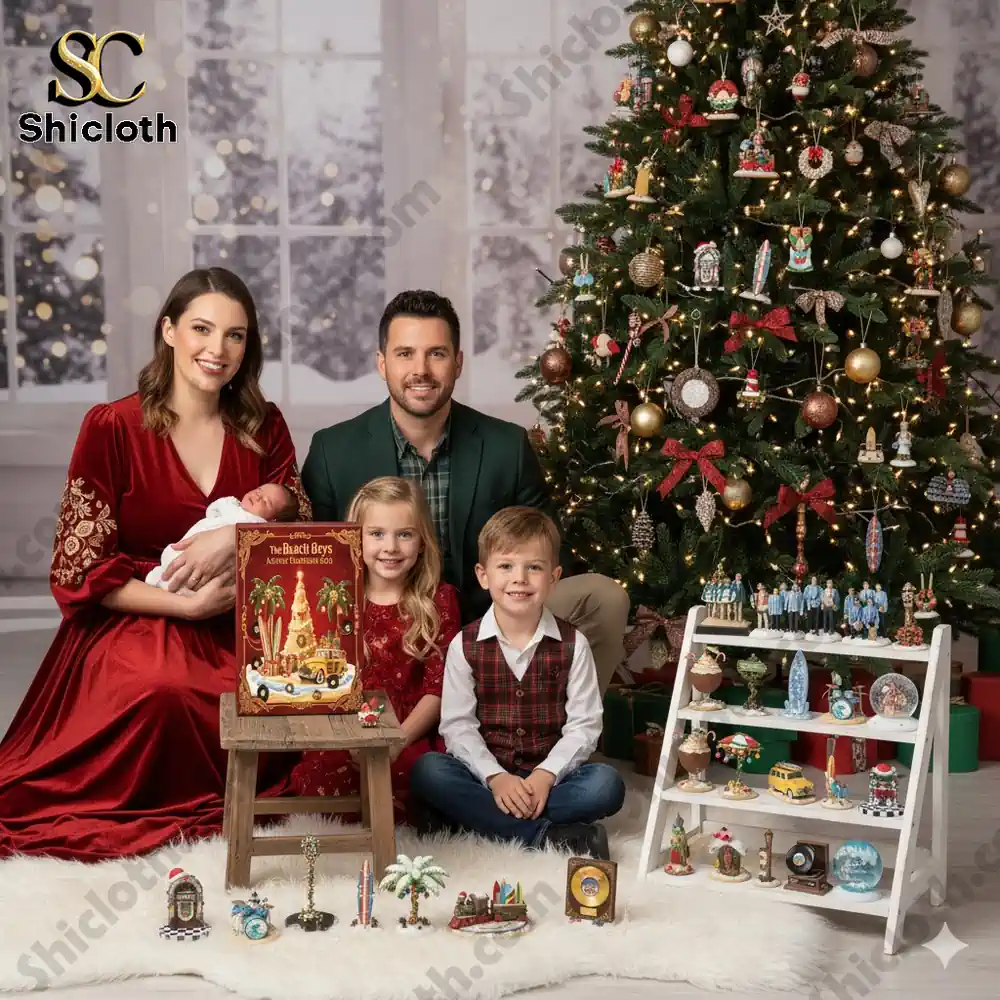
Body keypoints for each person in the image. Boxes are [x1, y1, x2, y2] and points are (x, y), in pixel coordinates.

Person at [0, 267, 311, 862]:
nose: (217, 350)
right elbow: (77, 571)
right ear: (168, 330)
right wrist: (182, 603)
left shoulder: (262, 425)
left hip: (241, 615)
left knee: (270, 702)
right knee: (162, 689)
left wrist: (235, 542)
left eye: (235, 336)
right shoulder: (112, 426)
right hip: (137, 610)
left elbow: (297, 522)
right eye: (201, 328)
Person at [300, 290, 630, 693]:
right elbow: (317, 567)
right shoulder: (333, 450)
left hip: (492, 621)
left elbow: (550, 548)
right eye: (405, 354)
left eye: (436, 354)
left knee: (604, 597)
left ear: (457, 363)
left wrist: (512, 612)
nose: (420, 370)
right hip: (387, 633)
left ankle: (561, 731)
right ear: (381, 364)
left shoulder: (505, 446)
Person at [409, 507, 626, 861]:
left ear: (554, 578)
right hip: (487, 774)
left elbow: (584, 726)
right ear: (483, 575)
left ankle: (476, 818)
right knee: (429, 772)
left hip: (550, 777)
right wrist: (495, 778)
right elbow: (458, 726)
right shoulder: (464, 646)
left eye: (534, 567)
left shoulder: (574, 645)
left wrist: (545, 775)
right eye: (506, 566)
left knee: (605, 785)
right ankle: (549, 837)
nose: (519, 578)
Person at [289, 477, 461, 821]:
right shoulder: (336, 597)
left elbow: (438, 689)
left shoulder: (439, 600)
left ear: (422, 541)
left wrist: (396, 740)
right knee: (319, 780)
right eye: (377, 533)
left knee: (427, 779)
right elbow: (319, 684)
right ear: (356, 537)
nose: (391, 547)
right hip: (343, 732)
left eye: (405, 534)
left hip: (408, 733)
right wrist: (349, 739)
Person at [146, 483, 295, 590]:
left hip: (211, 568)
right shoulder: (234, 508)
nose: (257, 496)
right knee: (171, 566)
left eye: (265, 501)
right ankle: (160, 583)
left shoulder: (256, 525)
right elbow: (212, 510)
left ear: (272, 521)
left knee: (186, 578)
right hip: (188, 546)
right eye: (259, 490)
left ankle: (163, 586)